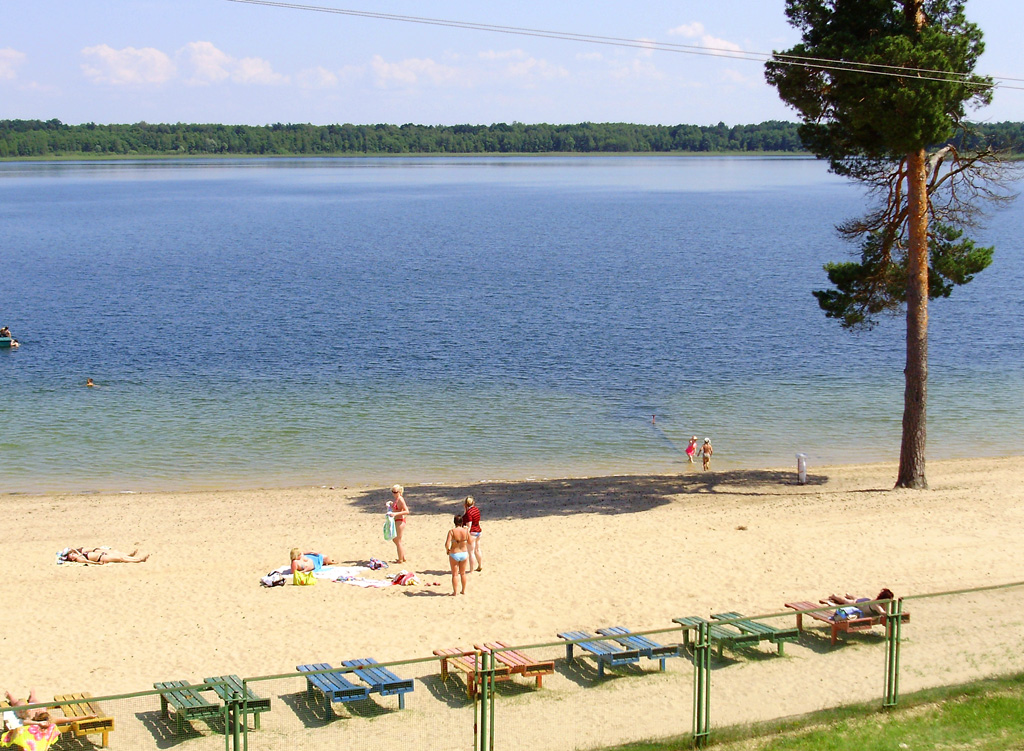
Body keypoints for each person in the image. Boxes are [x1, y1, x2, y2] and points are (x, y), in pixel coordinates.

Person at [445, 514, 470, 596]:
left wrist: (447, 550)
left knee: (455, 574)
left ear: (454, 522)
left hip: (454, 553)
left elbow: (447, 544)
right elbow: (470, 542)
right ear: (462, 522)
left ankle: (455, 592)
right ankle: (463, 590)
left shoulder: (452, 531)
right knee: (463, 573)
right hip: (464, 552)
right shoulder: (465, 531)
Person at [826, 589, 896, 616]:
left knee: (856, 599)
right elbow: (883, 613)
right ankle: (834, 596)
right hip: (861, 604)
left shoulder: (882, 603)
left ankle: (849, 595)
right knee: (846, 601)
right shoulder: (876, 605)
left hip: (865, 602)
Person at [389, 484, 410, 563]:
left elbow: (407, 511)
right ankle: (402, 557)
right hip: (396, 520)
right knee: (395, 539)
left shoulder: (401, 499)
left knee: (398, 540)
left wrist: (395, 514)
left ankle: (400, 559)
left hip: (400, 520)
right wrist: (391, 504)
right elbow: (396, 508)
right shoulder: (396, 499)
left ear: (399, 492)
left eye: (395, 492)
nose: (393, 493)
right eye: (392, 492)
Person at [462, 495, 483, 572]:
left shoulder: (469, 513)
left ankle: (471, 570)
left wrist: (467, 536)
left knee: (471, 552)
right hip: (478, 531)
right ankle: (480, 565)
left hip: (472, 532)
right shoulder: (476, 510)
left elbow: (469, 525)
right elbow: (466, 516)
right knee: (477, 549)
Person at [61, 546, 149, 564]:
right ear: (72, 559)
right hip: (102, 558)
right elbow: (87, 561)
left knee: (120, 556)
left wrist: (75, 551)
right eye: (71, 555)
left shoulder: (79, 554)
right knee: (121, 558)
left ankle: (135, 558)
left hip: (101, 555)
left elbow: (74, 550)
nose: (72, 554)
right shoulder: (79, 559)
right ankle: (139, 560)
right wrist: (97, 563)